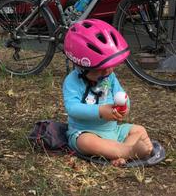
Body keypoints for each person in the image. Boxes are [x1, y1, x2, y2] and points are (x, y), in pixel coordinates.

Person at [62, 19, 153, 166]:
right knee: (86, 142)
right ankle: (128, 152)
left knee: (139, 130)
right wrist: (100, 111)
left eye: (111, 66)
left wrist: (124, 107)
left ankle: (120, 152)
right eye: (102, 68)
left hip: (113, 131)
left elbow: (121, 94)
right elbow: (72, 108)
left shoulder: (109, 76)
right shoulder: (72, 81)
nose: (108, 71)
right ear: (82, 65)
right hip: (87, 131)